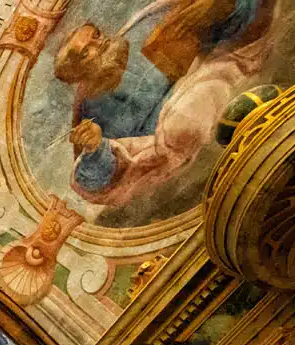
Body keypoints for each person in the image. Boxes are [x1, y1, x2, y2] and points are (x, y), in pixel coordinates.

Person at [53, 0, 275, 207]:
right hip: (188, 144)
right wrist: (95, 149)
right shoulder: (97, 112)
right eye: (85, 52)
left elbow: (224, 23)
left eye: (96, 35)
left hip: (223, 80)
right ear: (75, 73)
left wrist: (227, 6)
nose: (99, 43)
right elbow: (102, 178)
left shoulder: (145, 28)